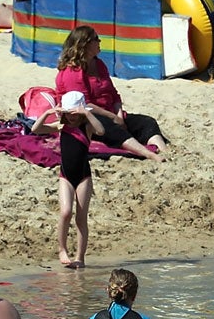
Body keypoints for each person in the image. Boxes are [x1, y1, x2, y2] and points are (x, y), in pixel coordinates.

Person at [53, 25, 169, 159]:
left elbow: (113, 93)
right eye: (96, 39)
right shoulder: (72, 73)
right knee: (108, 126)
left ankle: (164, 151)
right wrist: (113, 117)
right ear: (84, 44)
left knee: (146, 122)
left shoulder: (99, 64)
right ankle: (148, 154)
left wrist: (119, 114)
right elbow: (85, 104)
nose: (99, 42)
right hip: (85, 118)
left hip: (109, 112)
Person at [55, 91, 94, 268]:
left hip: (84, 176)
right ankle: (62, 249)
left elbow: (101, 129)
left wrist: (87, 113)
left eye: (74, 114)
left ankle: (80, 257)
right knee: (65, 212)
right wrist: (48, 114)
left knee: (81, 218)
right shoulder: (60, 127)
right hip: (66, 176)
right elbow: (35, 129)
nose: (71, 118)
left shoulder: (87, 128)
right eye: (68, 114)